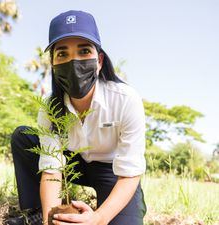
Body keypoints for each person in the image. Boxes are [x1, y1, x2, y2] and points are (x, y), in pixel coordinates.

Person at [9, 10, 147, 225]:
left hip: (111, 170)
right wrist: (50, 219)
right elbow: (52, 170)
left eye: (84, 51)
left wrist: (99, 218)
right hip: (71, 164)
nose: (73, 61)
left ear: (99, 60)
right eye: (62, 54)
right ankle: (37, 212)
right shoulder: (51, 108)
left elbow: (130, 174)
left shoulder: (126, 100)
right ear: (53, 64)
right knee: (23, 136)